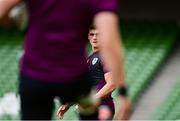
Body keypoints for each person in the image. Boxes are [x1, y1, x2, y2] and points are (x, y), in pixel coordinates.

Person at [0, 0, 131, 120]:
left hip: (34, 76)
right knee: (89, 107)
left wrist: (14, 21)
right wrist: (124, 94)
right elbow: (110, 41)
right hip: (74, 77)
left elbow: (2, 11)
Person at [57, 25, 116, 120]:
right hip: (88, 109)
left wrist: (92, 100)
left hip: (103, 107)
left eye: (98, 35)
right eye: (92, 34)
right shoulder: (88, 59)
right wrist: (69, 104)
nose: (95, 37)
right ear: (88, 36)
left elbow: (112, 84)